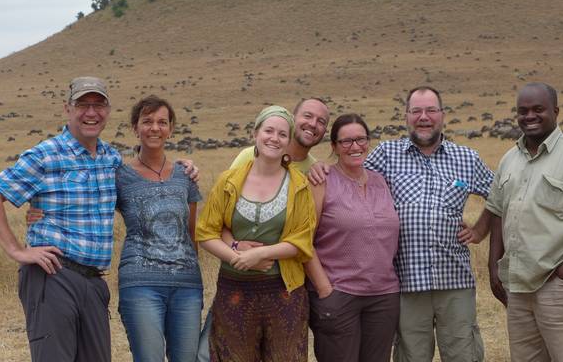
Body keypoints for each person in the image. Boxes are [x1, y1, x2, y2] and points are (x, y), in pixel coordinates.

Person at [310, 86, 492, 362]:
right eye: (416, 111)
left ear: (442, 115)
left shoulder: (467, 158)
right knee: (410, 356)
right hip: (407, 283)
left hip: (454, 280)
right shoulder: (386, 155)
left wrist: (480, 229)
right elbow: (350, 164)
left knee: (463, 355)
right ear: (406, 116)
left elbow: (501, 194)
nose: (424, 117)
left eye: (431, 110)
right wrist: (319, 167)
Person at [0, 76, 121, 362]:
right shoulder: (46, 155)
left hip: (94, 281)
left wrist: (180, 169)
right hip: (54, 275)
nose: (91, 113)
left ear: (108, 110)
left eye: (98, 105)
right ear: (67, 109)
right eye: (83, 105)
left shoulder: (110, 158)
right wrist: (17, 250)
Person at [476, 83, 563, 362]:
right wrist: (494, 266)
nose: (530, 116)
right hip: (516, 286)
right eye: (523, 111)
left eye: (538, 109)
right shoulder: (509, 159)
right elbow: (498, 213)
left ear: (555, 111)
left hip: (558, 283)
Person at [196, 97, 330, 361]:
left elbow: (302, 240)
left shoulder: (299, 184)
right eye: (268, 131)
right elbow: (206, 232)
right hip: (233, 291)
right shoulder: (229, 181)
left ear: (288, 141)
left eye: (282, 134)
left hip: (284, 293)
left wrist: (259, 254)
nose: (274, 138)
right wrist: (237, 255)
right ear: (255, 133)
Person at [113, 96, 203, 362]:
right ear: (135, 127)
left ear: (171, 129)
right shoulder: (120, 176)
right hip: (141, 284)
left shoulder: (185, 175)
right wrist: (38, 212)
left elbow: (192, 233)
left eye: (162, 122)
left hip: (186, 285)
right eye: (147, 121)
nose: (155, 128)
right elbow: (89, 207)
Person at [305, 113, 400, 362]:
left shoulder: (381, 182)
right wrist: (325, 290)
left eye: (361, 139)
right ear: (334, 147)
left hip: (384, 296)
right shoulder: (321, 181)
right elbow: (304, 240)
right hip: (339, 293)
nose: (355, 147)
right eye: (346, 141)